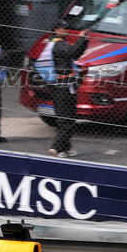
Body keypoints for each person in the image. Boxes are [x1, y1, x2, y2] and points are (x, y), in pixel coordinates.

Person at [37, 24, 90, 157]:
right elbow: (73, 52)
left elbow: (74, 54)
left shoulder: (52, 44)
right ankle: (57, 147)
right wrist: (81, 38)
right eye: (63, 28)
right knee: (68, 117)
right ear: (56, 30)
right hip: (65, 85)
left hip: (58, 85)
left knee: (63, 117)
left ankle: (65, 149)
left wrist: (84, 41)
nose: (66, 30)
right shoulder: (59, 44)